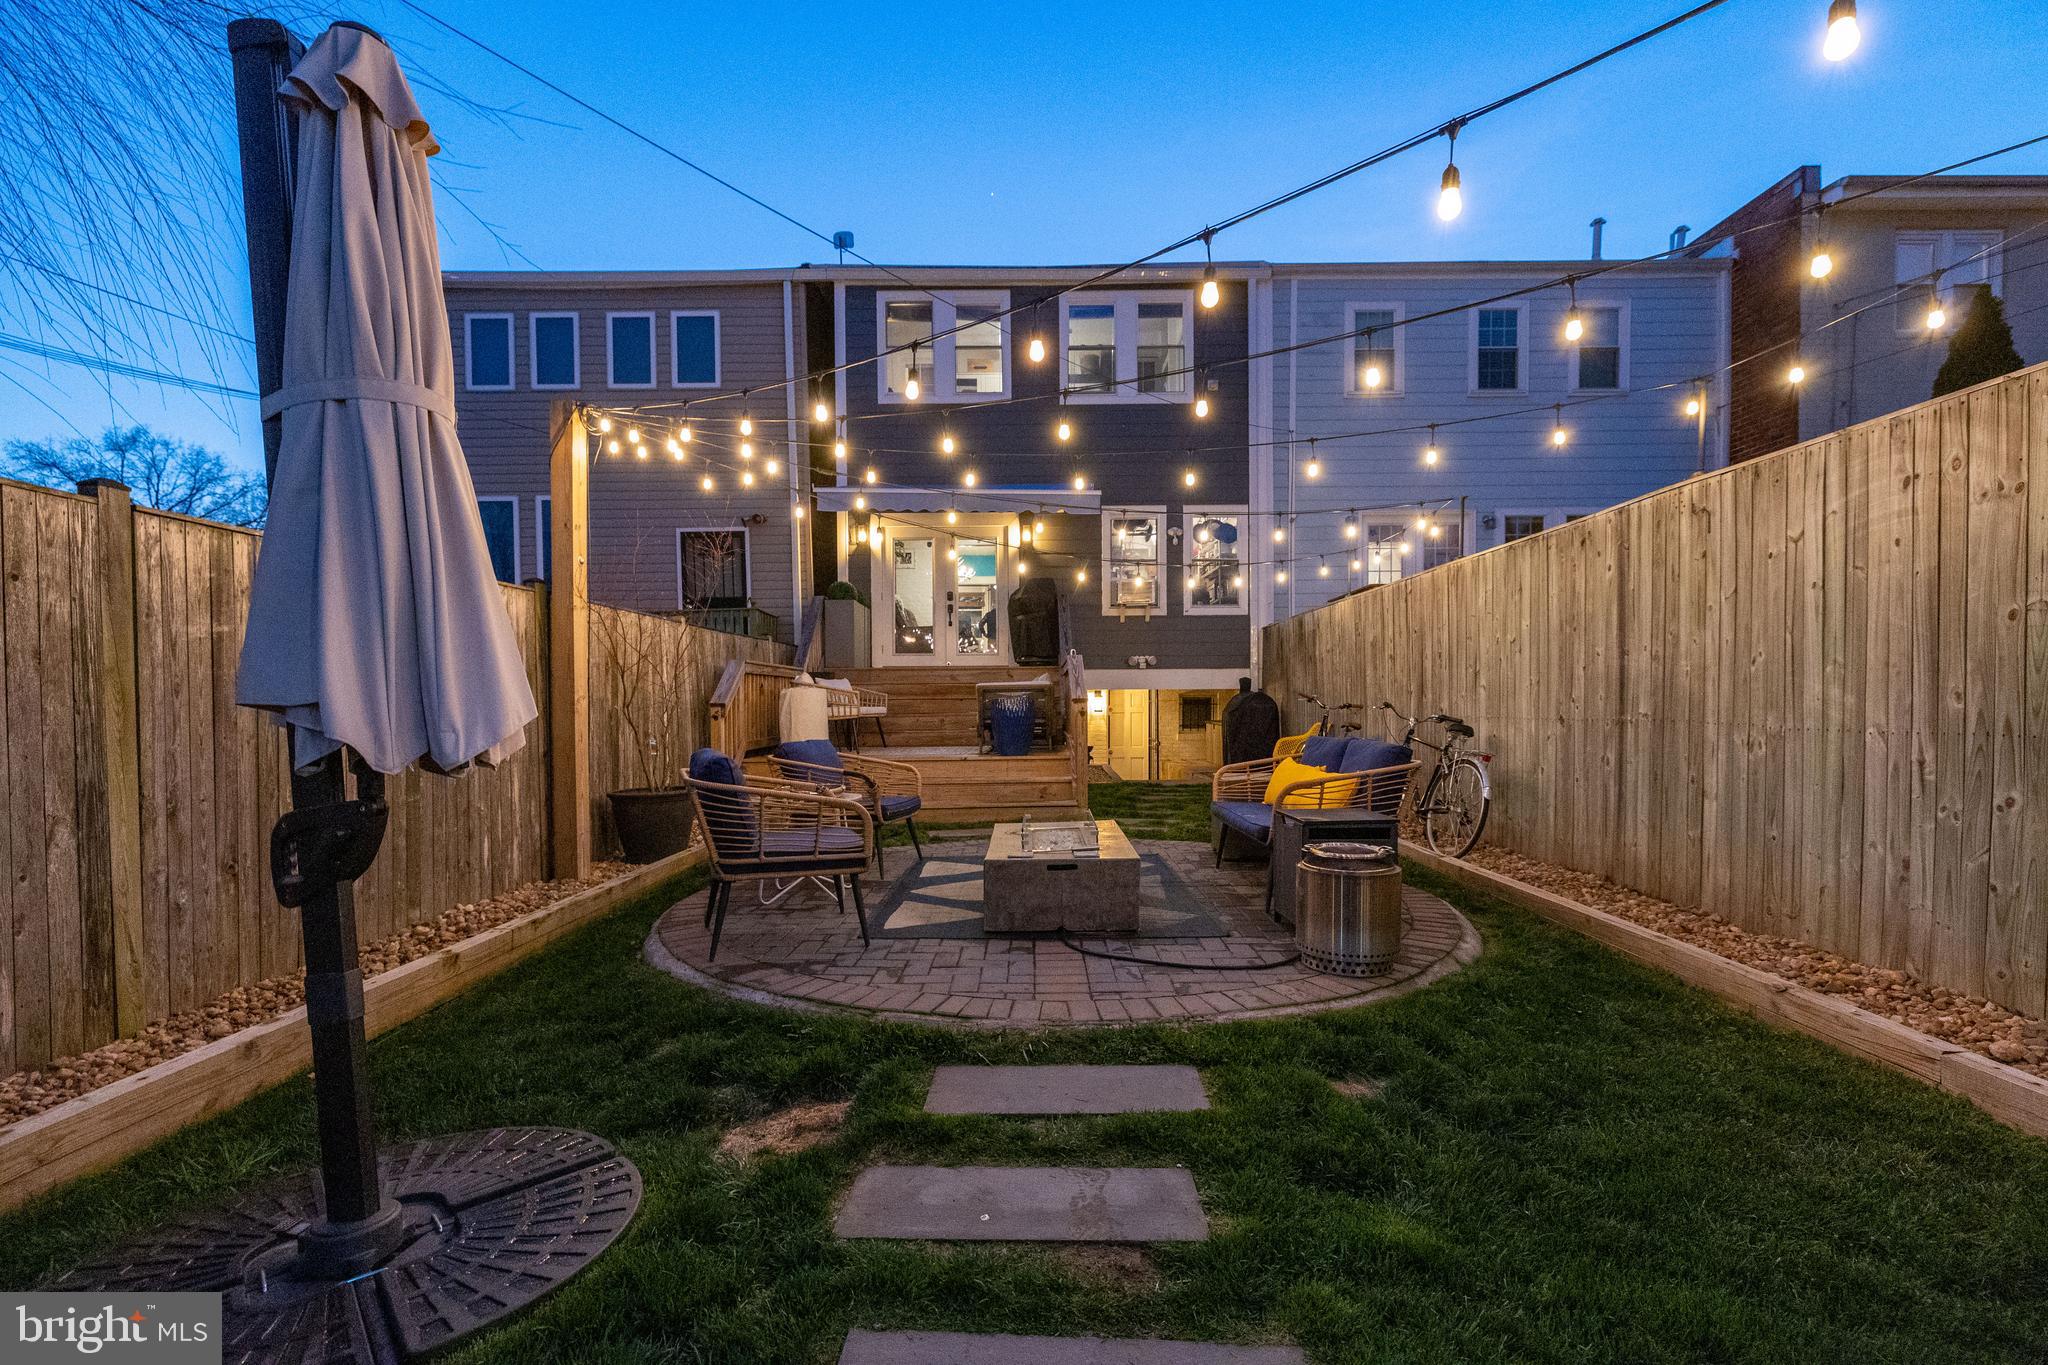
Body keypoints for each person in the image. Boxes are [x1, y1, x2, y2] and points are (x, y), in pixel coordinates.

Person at [1221, 677, 1281, 764]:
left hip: (1244, 748)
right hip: (1264, 750)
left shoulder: (1236, 700)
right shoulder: (1263, 700)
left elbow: (1229, 715)